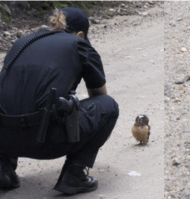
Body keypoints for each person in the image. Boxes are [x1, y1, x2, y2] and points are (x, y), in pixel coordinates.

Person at [0, 7, 119, 195]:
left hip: (4, 139)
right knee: (109, 106)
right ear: (80, 34)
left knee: (15, 100)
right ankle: (74, 176)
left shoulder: (21, 43)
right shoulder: (79, 44)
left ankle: (3, 170)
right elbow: (99, 95)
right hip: (46, 141)